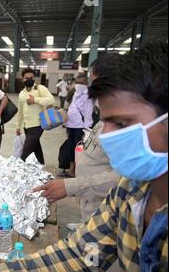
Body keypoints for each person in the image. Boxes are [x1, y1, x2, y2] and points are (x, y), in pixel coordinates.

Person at [0, 41, 168, 272]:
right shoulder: (129, 191)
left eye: (122, 123)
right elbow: (78, 254)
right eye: (106, 122)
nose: (107, 135)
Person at [33, 53, 123, 231]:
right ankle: (85, 223)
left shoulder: (126, 123)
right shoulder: (106, 111)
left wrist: (70, 185)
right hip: (92, 203)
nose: (92, 89)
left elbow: (124, 180)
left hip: (107, 215)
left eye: (95, 82)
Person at [16, 68, 55, 165]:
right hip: (26, 126)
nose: (29, 79)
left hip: (37, 125)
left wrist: (35, 100)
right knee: (36, 148)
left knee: (26, 151)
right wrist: (18, 126)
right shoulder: (22, 93)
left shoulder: (40, 88)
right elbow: (20, 111)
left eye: (31, 77)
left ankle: (18, 169)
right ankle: (41, 166)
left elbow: (51, 100)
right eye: (26, 78)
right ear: (22, 79)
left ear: (34, 78)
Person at [65, 74, 95, 177]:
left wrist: (87, 128)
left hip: (80, 126)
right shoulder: (75, 93)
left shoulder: (88, 96)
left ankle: (78, 171)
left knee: (79, 149)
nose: (78, 85)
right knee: (70, 147)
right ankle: (71, 168)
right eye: (77, 83)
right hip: (71, 124)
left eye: (81, 83)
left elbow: (88, 112)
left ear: (86, 84)